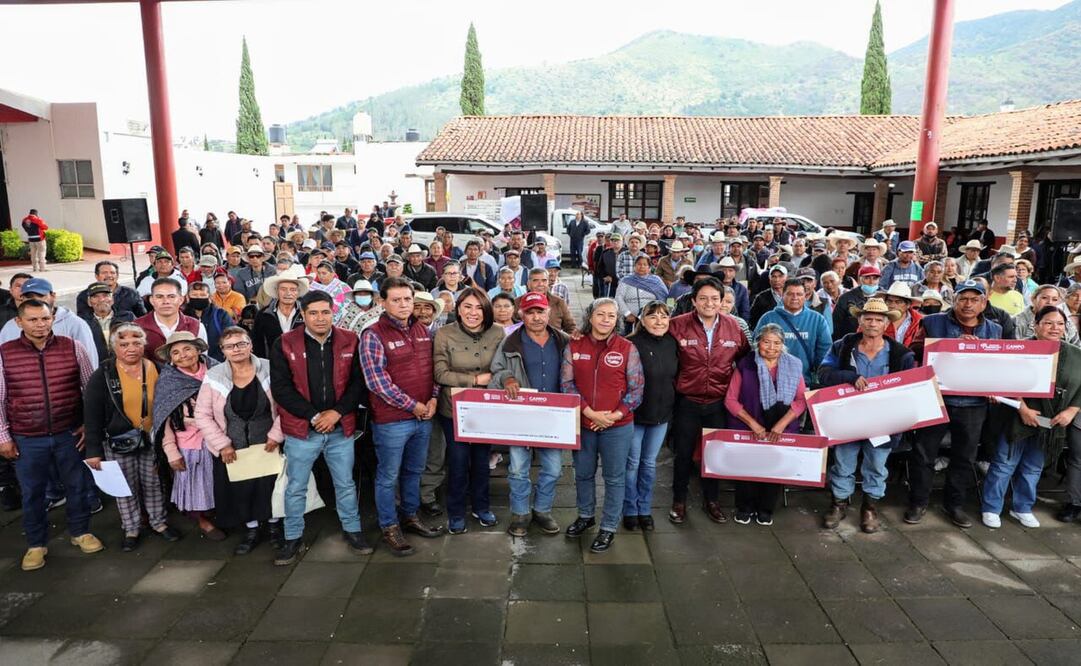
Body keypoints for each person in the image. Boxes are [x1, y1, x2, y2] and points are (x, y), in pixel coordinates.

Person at [0, 298, 102, 570]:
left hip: (69, 432)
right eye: (32, 319)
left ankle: (80, 531)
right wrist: (3, 436)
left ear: (53, 319)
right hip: (26, 437)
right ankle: (36, 544)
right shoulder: (5, 353)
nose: (40, 324)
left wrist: (88, 425)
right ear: (19, 322)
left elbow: (89, 389)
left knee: (77, 486)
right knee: (32, 492)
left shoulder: (73, 347)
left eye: (45, 318)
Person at [270, 290, 369, 564]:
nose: (320, 318)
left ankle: (353, 529)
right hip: (302, 430)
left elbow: (358, 383)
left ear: (333, 312)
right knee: (295, 486)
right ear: (303, 314)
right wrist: (314, 416)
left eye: (325, 312)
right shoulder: (285, 343)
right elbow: (281, 388)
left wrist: (336, 413)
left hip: (340, 427)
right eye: (313, 313)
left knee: (345, 484)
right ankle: (292, 537)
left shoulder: (350, 340)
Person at [907, 279, 1002, 528]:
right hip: (936, 399)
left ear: (984, 303)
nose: (968, 304)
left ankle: (955, 505)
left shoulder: (994, 329)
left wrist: (981, 352)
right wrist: (947, 347)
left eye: (974, 299)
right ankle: (918, 502)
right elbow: (914, 352)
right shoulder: (932, 322)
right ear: (954, 300)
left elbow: (1000, 364)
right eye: (963, 299)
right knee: (923, 453)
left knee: (965, 457)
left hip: (974, 403)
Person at [360, 277, 444, 556]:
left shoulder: (423, 330)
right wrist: (413, 406)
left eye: (408, 299)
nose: (404, 304)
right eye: (396, 300)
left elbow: (433, 369)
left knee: (414, 471)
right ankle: (389, 526)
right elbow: (377, 382)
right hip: (392, 421)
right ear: (382, 302)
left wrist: (433, 397)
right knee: (388, 476)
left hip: (423, 416)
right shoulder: (373, 334)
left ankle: (410, 515)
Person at [819, 299, 916, 533]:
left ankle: (870, 507)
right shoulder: (843, 346)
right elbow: (823, 373)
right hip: (847, 418)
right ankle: (839, 503)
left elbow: (910, 390)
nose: (873, 323)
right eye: (868, 318)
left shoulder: (901, 354)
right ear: (860, 321)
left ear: (886, 324)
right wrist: (848, 377)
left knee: (877, 465)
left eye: (878, 319)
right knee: (843, 463)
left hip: (883, 423)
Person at [83, 323, 181, 552]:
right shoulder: (103, 375)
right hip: (118, 440)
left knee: (154, 483)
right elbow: (92, 415)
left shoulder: (157, 369)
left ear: (144, 345)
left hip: (151, 438)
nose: (131, 348)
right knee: (125, 487)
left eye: (136, 343)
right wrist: (93, 451)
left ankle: (158, 522)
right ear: (113, 347)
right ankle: (131, 528)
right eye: (124, 343)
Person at [982, 306, 1081, 529]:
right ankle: (991, 507)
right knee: (1004, 464)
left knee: (1033, 467)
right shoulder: (1019, 349)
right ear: (1035, 325)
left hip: (1051, 422)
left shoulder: (1076, 354)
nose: (1055, 328)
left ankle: (1022, 507)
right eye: (1048, 323)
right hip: (1016, 417)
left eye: (1060, 324)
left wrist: (1072, 410)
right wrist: (1022, 408)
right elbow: (1006, 379)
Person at [561, 298, 643, 553]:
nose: (606, 319)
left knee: (614, 478)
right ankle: (586, 515)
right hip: (584, 423)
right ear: (590, 316)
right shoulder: (574, 345)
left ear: (617, 320)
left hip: (617, 426)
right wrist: (589, 413)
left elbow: (636, 389)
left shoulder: (627, 348)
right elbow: (566, 384)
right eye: (600, 314)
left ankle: (608, 527)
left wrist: (613, 416)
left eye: (611, 315)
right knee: (583, 473)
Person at [195, 326, 284, 554]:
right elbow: (202, 414)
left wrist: (276, 435)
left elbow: (286, 405)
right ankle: (251, 529)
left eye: (241, 343)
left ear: (250, 345)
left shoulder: (269, 368)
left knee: (269, 486)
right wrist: (222, 444)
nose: (236, 349)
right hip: (232, 445)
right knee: (241, 489)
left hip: (267, 442)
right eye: (229, 346)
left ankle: (274, 527)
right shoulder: (214, 375)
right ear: (222, 350)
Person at [668, 278, 750, 524]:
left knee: (713, 454)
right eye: (703, 298)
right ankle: (679, 501)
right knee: (683, 454)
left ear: (722, 301)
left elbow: (745, 359)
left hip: (718, 403)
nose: (709, 303)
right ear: (693, 300)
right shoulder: (677, 325)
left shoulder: (733, 326)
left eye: (715, 298)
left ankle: (712, 501)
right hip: (687, 401)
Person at [433, 288, 505, 534]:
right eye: (467, 307)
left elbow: (503, 366)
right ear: (458, 309)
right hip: (454, 409)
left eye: (478, 307)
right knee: (458, 460)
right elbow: (440, 373)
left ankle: (481, 507)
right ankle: (455, 512)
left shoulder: (498, 332)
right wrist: (475, 380)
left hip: (485, 408)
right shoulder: (444, 333)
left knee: (482, 460)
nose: (473, 313)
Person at [726, 323, 808, 525]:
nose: (771, 347)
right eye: (766, 342)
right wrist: (753, 424)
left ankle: (766, 509)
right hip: (748, 424)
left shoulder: (793, 365)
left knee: (774, 467)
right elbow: (730, 400)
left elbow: (801, 400)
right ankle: (745, 507)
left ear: (783, 345)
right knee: (746, 467)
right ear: (758, 343)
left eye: (777, 343)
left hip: (781, 425)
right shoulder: (746, 364)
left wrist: (781, 424)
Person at [153, 331, 223, 539]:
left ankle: (221, 514)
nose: (182, 355)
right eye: (175, 352)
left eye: (187, 349)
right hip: (190, 443)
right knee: (195, 487)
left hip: (220, 438)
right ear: (170, 358)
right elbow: (163, 421)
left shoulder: (217, 370)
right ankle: (203, 521)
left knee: (218, 484)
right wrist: (171, 452)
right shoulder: (169, 381)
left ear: (198, 350)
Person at [623, 301, 678, 531]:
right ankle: (629, 509)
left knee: (648, 464)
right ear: (642, 320)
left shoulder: (672, 343)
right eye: (653, 316)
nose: (659, 321)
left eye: (664, 316)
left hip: (661, 415)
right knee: (632, 464)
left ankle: (644, 508)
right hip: (635, 415)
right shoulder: (630, 344)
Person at [0, 277, 99, 367]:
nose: (35, 300)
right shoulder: (10, 327)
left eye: (40, 295)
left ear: (53, 296)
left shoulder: (75, 324)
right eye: (29, 297)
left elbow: (90, 362)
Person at [755, 278, 831, 385]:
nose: (795, 297)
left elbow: (824, 351)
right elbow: (756, 347)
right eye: (790, 294)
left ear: (805, 296)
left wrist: (821, 376)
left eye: (799, 294)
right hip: (772, 381)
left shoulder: (817, 319)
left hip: (805, 381)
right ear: (782, 295)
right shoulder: (768, 318)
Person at [134, 278, 207, 360]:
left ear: (181, 299)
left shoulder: (196, 326)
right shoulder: (136, 327)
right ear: (151, 300)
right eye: (159, 297)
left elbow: (203, 359)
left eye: (171, 296)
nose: (166, 301)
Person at [251, 268, 307, 358]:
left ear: (298, 292)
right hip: (271, 363)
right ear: (277, 291)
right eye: (283, 289)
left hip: (302, 363)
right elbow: (257, 343)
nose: (288, 293)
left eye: (293, 289)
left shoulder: (307, 313)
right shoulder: (263, 314)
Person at [81, 281, 135, 364]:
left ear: (112, 300)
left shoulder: (127, 317)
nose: (101, 300)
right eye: (95, 296)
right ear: (89, 302)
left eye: (105, 295)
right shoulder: (83, 323)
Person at [616, 255, 670, 334]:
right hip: (630, 319)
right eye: (639, 264)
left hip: (652, 318)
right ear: (634, 266)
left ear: (649, 268)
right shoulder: (626, 280)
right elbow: (618, 298)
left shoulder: (656, 280)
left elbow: (664, 298)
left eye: (645, 264)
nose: (642, 267)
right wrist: (627, 313)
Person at [76, 261, 146, 318]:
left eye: (112, 273)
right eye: (104, 273)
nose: (109, 275)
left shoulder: (131, 293)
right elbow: (83, 319)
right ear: (96, 276)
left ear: (117, 276)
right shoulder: (85, 295)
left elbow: (142, 317)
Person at [183, 282, 234, 361]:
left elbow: (230, 336)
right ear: (187, 297)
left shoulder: (221, 314)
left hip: (218, 361)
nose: (198, 298)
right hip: (188, 360)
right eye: (194, 295)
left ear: (209, 297)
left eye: (202, 295)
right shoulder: (182, 315)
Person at [1014, 285, 1080, 344]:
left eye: (1054, 299)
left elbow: (1077, 347)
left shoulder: (1066, 322)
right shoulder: (1017, 320)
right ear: (1033, 299)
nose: (1049, 302)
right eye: (1044, 298)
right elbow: (1013, 346)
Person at [833, 265, 881, 340]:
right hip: (851, 341)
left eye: (875, 278)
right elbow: (836, 325)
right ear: (860, 279)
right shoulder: (846, 298)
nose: (871, 282)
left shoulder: (886, 297)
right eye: (867, 278)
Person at [526, 267, 577, 334]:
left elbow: (571, 327)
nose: (540, 284)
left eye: (544, 280)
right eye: (535, 280)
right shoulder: (518, 302)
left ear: (548, 283)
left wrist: (563, 339)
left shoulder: (559, 302)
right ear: (528, 284)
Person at [878, 282, 925, 351]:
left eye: (898, 302)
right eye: (889, 301)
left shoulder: (920, 321)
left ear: (908, 305)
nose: (892, 305)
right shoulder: (876, 318)